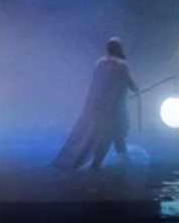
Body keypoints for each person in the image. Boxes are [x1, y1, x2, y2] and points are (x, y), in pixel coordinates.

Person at [54, 38, 141, 170]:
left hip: (98, 108)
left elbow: (96, 86)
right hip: (115, 110)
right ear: (118, 49)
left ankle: (122, 161)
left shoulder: (100, 63)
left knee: (111, 135)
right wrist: (136, 89)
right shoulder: (121, 65)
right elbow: (130, 84)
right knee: (109, 136)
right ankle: (95, 166)